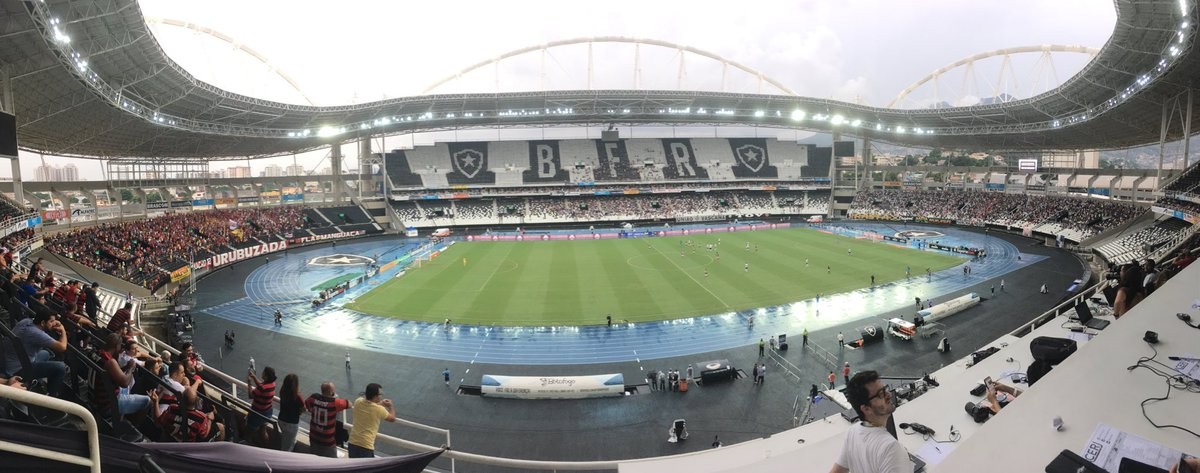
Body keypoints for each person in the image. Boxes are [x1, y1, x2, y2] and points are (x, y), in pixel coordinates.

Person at [830, 371, 913, 473]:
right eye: (880, 394)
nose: (888, 394)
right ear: (866, 409)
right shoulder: (891, 449)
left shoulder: (853, 431)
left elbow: (838, 470)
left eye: (885, 389)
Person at [4, 311, 68, 398]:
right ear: (42, 323)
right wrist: (63, 331)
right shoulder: (36, 334)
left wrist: (52, 322)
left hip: (11, 360)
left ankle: (34, 380)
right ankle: (51, 397)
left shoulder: (27, 321)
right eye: (51, 321)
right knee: (60, 367)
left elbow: (44, 323)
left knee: (46, 353)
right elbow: (62, 347)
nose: (54, 324)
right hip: (18, 369)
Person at [349, 383, 397, 458]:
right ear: (375, 396)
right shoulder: (379, 410)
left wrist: (380, 403)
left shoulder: (358, 401)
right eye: (380, 394)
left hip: (352, 443)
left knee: (353, 467)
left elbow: (370, 405)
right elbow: (392, 418)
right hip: (366, 446)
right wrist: (390, 406)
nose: (381, 396)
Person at [305, 381, 351, 458]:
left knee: (314, 459)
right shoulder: (335, 402)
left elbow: (307, 405)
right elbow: (349, 404)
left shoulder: (313, 397)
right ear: (331, 392)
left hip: (313, 437)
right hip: (327, 441)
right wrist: (335, 397)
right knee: (331, 462)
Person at [246, 366, 277, 447]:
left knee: (249, 431)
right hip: (267, 412)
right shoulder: (272, 384)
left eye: (263, 372)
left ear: (266, 376)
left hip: (257, 413)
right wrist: (254, 377)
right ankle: (266, 447)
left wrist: (249, 383)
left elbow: (250, 395)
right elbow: (262, 385)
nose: (262, 373)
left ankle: (247, 446)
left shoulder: (261, 389)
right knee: (263, 431)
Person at [277, 373, 304, 452]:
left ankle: (291, 442)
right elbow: (303, 408)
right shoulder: (297, 396)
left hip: (281, 420)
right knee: (286, 449)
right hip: (291, 424)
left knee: (288, 440)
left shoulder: (282, 392)